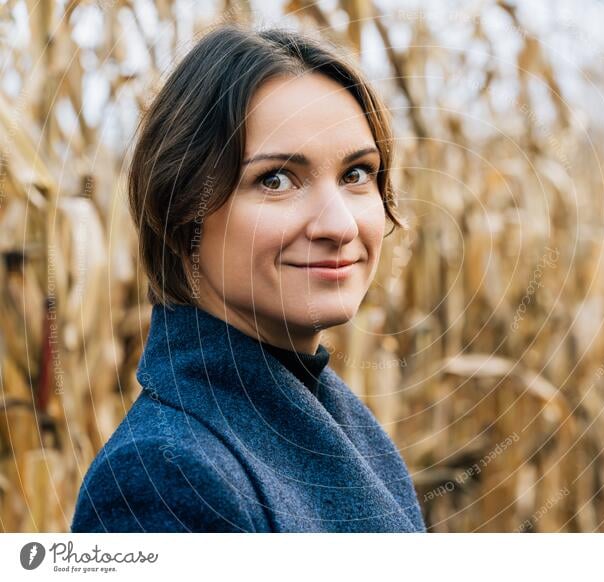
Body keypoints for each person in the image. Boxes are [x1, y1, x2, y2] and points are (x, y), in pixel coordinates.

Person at [71, 23, 425, 533]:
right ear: (181, 212)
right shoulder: (164, 481)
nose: (340, 226)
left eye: (357, 174)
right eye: (276, 179)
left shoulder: (343, 424)